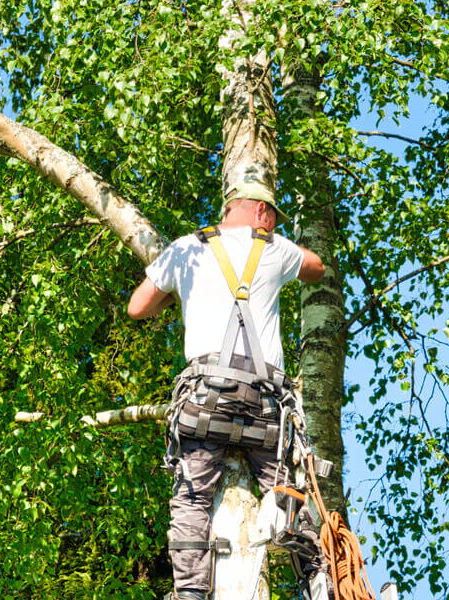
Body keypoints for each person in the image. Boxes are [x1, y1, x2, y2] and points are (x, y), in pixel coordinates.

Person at [128, 181, 327, 600]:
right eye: (272, 216)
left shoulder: (185, 249)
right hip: (266, 408)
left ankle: (191, 594)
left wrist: (176, 293)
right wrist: (279, 245)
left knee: (192, 498)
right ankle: (319, 581)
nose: (273, 224)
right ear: (260, 212)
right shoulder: (275, 249)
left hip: (205, 403)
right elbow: (317, 267)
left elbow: (137, 307)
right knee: (286, 490)